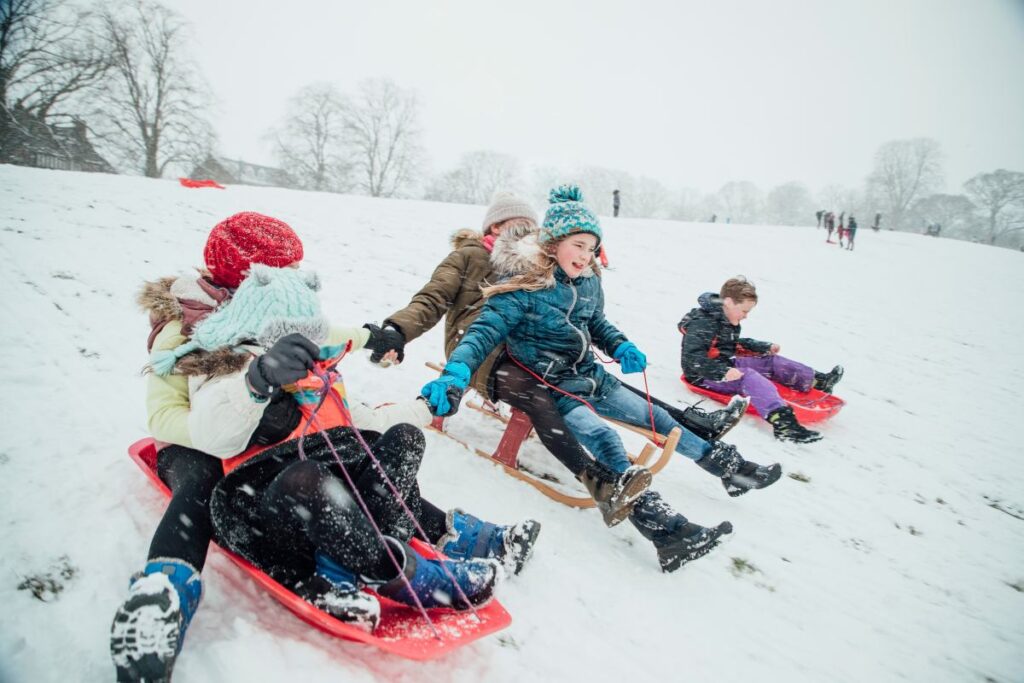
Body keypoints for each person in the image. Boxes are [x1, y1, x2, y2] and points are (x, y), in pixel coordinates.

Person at [111, 213, 536, 682]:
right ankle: (160, 596)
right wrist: (253, 398)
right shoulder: (186, 331)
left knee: (356, 457)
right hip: (193, 439)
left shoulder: (282, 310)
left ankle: (437, 537)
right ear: (250, 274)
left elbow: (327, 337)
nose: (295, 276)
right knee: (203, 487)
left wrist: (379, 340)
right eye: (284, 269)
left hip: (278, 442)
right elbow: (165, 418)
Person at [421, 186, 782, 572]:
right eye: (579, 245)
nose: (587, 256)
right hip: (552, 384)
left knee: (659, 419)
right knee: (605, 437)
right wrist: (456, 371)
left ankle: (728, 468)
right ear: (554, 243)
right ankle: (666, 529)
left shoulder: (589, 281)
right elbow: (482, 333)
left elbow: (595, 322)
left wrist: (620, 345)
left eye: (592, 248)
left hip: (590, 375)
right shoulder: (522, 285)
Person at [678, 276, 845, 443]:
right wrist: (723, 372)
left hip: (724, 363)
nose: (746, 316)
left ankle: (819, 382)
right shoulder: (704, 323)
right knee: (749, 376)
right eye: (744, 311)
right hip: (704, 375)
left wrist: (761, 347)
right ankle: (784, 426)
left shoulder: (725, 316)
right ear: (728, 302)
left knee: (771, 361)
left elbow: (729, 344)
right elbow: (693, 359)